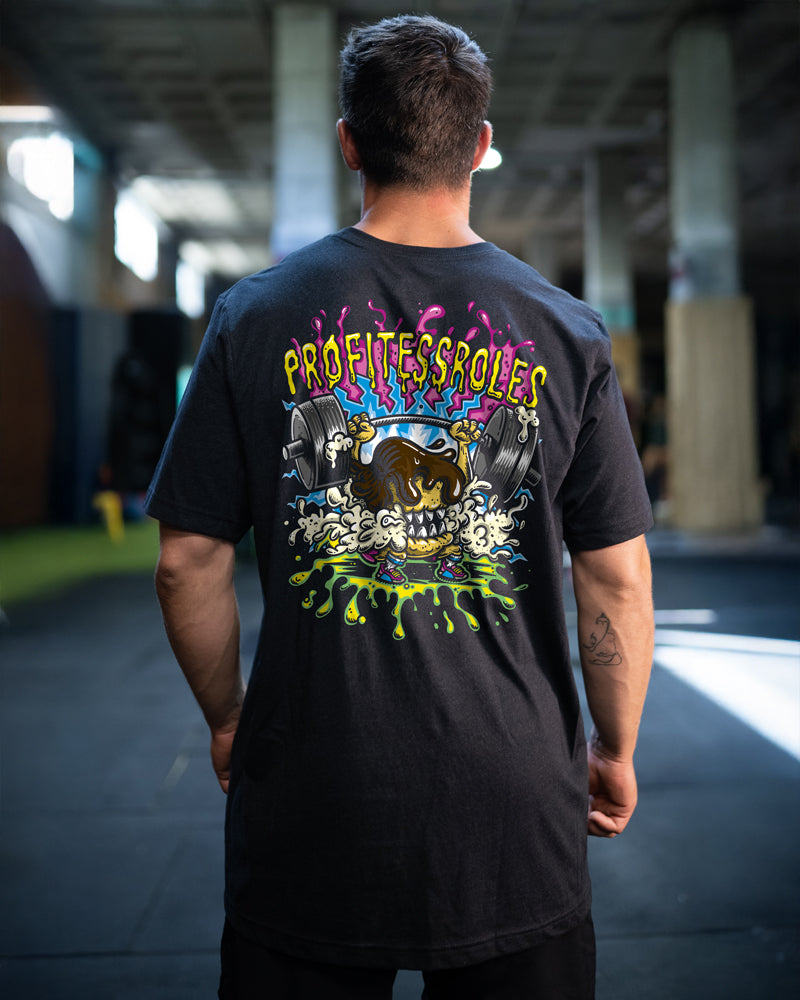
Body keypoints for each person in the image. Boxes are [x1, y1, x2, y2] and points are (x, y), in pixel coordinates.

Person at [145, 14, 654, 1000]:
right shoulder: (567, 330)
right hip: (513, 794)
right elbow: (615, 574)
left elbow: (185, 561)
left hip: (310, 784)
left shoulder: (253, 316)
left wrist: (231, 720)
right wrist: (614, 745)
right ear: (479, 145)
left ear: (349, 143)